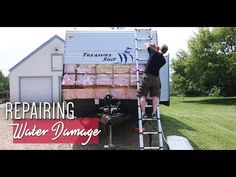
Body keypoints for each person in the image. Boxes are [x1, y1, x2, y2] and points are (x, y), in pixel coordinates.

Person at [138, 43, 168, 119]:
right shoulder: (164, 61)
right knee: (155, 96)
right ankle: (154, 113)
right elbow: (159, 56)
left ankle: (143, 113)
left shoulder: (153, 52)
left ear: (160, 48)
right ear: (166, 51)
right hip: (155, 78)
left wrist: (154, 46)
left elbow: (146, 44)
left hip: (147, 77)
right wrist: (158, 49)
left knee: (142, 95)